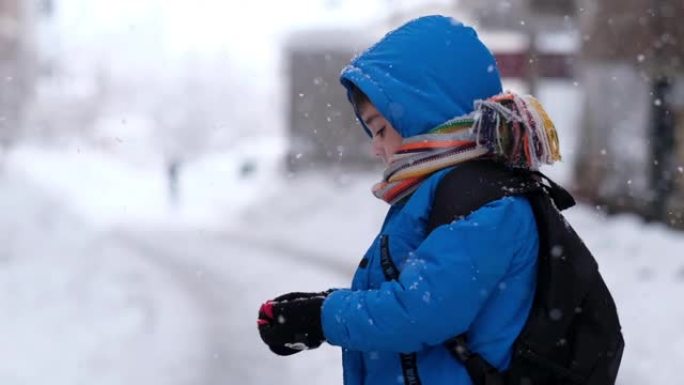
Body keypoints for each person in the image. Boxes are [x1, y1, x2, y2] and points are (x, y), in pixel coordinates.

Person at [257, 15, 563, 385]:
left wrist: (323, 316)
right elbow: (416, 293)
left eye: (381, 129)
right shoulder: (444, 194)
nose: (376, 148)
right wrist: (321, 307)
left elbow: (421, 311)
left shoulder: (488, 203)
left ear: (426, 115)